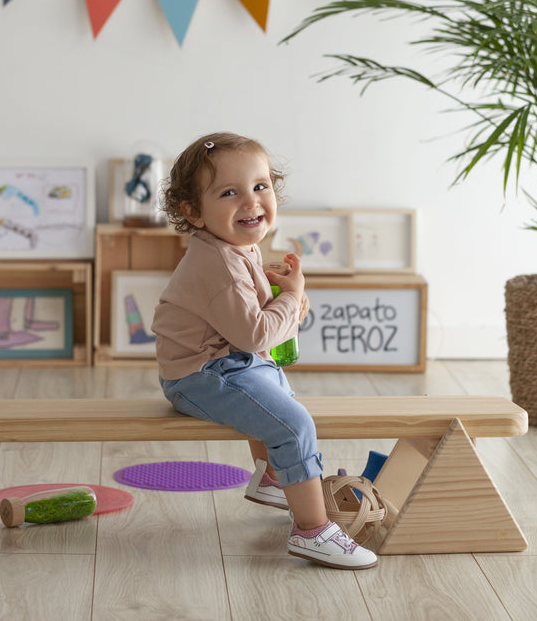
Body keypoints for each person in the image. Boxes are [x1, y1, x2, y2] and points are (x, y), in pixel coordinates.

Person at [151, 132, 377, 570]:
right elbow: (255, 335)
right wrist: (291, 299)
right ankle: (312, 531)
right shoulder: (218, 262)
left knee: (275, 385)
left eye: (260, 187)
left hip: (224, 363)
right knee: (292, 424)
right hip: (199, 374)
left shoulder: (231, 247)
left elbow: (243, 319)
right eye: (229, 192)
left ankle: (275, 477)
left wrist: (274, 290)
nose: (251, 202)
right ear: (193, 212)